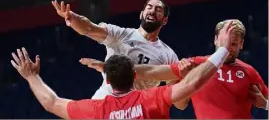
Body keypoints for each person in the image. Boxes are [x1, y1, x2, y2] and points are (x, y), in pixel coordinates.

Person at [11, 21, 236, 119]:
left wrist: (32, 76)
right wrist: (224, 49)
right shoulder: (151, 99)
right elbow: (192, 84)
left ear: (107, 81)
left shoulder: (96, 110)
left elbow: (52, 103)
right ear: (135, 75)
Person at [83, 19, 269, 118]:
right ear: (215, 40)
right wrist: (111, 68)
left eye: (234, 44)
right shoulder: (195, 64)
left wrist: (265, 104)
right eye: (225, 42)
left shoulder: (248, 72)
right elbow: (154, 73)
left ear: (242, 44)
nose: (229, 48)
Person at [51, 0, 181, 99]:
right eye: (149, 7)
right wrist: (72, 18)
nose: (152, 11)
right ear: (141, 14)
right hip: (105, 101)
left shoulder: (168, 55)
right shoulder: (121, 34)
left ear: (164, 20)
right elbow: (89, 28)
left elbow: (177, 99)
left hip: (134, 109)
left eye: (158, 10)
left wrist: (186, 76)